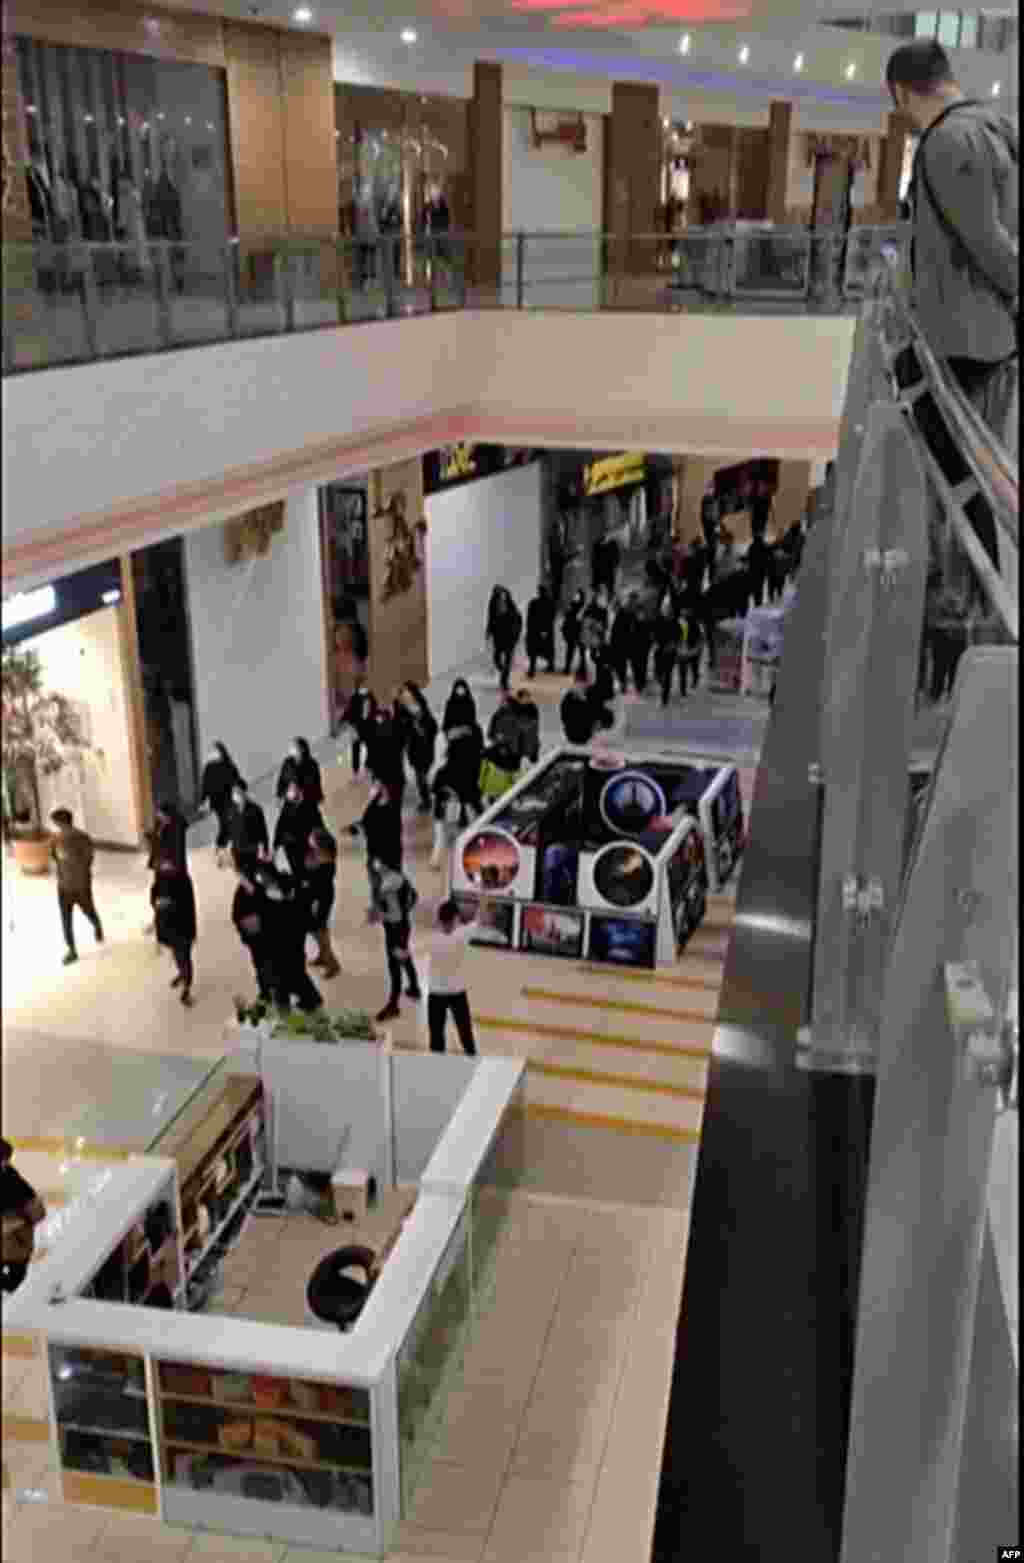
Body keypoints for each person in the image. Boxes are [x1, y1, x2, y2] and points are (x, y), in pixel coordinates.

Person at [885, 40, 1018, 458]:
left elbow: (988, 241)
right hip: (986, 333)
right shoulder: (994, 127)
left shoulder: (949, 141)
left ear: (902, 92)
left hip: (962, 341)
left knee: (958, 470)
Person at [414, 896, 491, 1056]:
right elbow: (480, 919)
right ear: (455, 918)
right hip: (457, 994)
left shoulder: (433, 939)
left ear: (441, 919)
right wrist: (484, 898)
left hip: (436, 994)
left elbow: (411, 952)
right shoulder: (462, 934)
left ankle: (436, 1069)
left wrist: (401, 952)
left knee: (436, 1038)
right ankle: (472, 1064)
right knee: (466, 1035)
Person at [252, 861, 323, 1013]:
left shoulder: (276, 893)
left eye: (261, 877)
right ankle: (310, 1000)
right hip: (291, 939)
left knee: (285, 978)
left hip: (286, 941)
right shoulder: (285, 886)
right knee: (295, 974)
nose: (260, 880)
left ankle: (290, 1009)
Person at [369, 857, 421, 1022]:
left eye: (377, 860)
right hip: (404, 925)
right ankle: (414, 988)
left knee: (394, 967)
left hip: (395, 929)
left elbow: (394, 915)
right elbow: (414, 896)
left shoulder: (388, 886)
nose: (374, 863)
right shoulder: (399, 877)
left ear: (384, 863)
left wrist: (378, 915)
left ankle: (393, 1006)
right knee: (404, 956)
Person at [50, 809, 103, 967]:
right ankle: (76, 945)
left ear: (61, 822)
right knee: (73, 916)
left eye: (56, 822)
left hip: (74, 885)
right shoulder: (60, 839)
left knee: (71, 917)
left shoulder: (76, 838)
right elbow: (89, 858)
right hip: (72, 885)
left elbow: (57, 858)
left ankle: (93, 929)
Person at [150, 856, 198, 1006]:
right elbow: (154, 897)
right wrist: (157, 903)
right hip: (167, 927)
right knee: (178, 957)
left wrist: (168, 903)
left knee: (184, 957)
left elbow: (188, 906)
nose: (163, 867)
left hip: (182, 927)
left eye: (166, 864)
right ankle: (182, 975)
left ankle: (187, 988)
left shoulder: (183, 880)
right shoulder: (159, 880)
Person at [1, 1138, 46, 1295]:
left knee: (16, 1282)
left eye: (5, 1160)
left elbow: (39, 1211)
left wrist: (16, 1223)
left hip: (17, 1247)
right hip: (15, 1245)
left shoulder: (15, 1183)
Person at [440, 680, 485, 818]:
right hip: (456, 753)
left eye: (462, 690)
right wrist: (453, 734)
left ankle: (477, 812)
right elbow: (446, 727)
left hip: (469, 754)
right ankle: (464, 814)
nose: (460, 693)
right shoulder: (450, 704)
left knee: (469, 786)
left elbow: (475, 733)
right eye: (458, 690)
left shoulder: (474, 727)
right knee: (459, 785)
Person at [347, 774, 404, 883]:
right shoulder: (374, 803)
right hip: (374, 854)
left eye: (377, 784)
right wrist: (355, 828)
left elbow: (390, 835)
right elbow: (366, 822)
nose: (374, 787)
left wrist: (382, 861)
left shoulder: (391, 810)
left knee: (388, 889)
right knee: (376, 887)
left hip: (387, 858)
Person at [303, 827, 340, 979]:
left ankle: (332, 963)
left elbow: (317, 884)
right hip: (316, 897)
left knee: (320, 931)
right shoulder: (318, 857)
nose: (309, 842)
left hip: (321, 899)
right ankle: (322, 956)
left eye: (313, 841)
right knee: (315, 929)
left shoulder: (325, 863)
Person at [199, 741, 243, 868]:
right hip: (218, 802)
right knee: (225, 826)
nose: (212, 753)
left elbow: (236, 780)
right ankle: (220, 852)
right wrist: (203, 801)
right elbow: (205, 786)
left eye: (215, 750)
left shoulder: (228, 765)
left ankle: (222, 852)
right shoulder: (209, 768)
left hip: (229, 800)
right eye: (211, 751)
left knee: (229, 826)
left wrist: (240, 787)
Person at [395, 682, 438, 812]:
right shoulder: (402, 712)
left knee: (423, 773)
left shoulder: (422, 707)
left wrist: (423, 726)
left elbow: (433, 726)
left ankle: (427, 798)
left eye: (407, 694)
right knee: (420, 775)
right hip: (415, 749)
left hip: (426, 747)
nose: (405, 697)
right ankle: (426, 800)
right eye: (403, 695)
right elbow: (400, 731)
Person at [273, 779, 325, 881]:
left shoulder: (309, 805)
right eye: (289, 790)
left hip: (305, 848)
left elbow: (319, 825)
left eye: (292, 789)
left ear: (299, 790)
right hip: (291, 849)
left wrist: (319, 847)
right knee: (298, 874)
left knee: (309, 874)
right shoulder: (287, 805)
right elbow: (280, 826)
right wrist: (276, 846)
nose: (289, 792)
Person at [486, 587, 523, 693]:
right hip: (499, 637)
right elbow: (491, 618)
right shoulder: (493, 605)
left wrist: (516, 634)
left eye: (503, 596)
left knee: (507, 660)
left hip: (510, 637)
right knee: (497, 658)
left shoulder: (512, 607)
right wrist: (489, 631)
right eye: (499, 596)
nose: (502, 598)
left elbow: (518, 619)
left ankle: (504, 681)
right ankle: (504, 673)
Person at [229, 781, 270, 876]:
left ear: (244, 793)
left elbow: (263, 832)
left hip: (252, 851)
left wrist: (263, 849)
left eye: (238, 792)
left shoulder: (255, 810)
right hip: (237, 852)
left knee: (251, 879)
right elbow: (230, 831)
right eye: (233, 793)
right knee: (243, 880)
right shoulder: (232, 811)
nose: (235, 795)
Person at [275, 737, 323, 809]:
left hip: (307, 802)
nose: (291, 749)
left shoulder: (311, 764)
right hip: (290, 802)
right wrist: (280, 796)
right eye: (291, 747)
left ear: (302, 749)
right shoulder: (287, 763)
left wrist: (317, 797)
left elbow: (316, 782)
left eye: (294, 747)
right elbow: (281, 781)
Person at [341, 677, 374, 777]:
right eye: (363, 685)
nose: (366, 687)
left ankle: (368, 766)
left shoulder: (370, 695)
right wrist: (343, 722)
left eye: (366, 685)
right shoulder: (354, 697)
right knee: (356, 750)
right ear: (359, 686)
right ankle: (355, 770)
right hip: (357, 728)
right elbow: (349, 711)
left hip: (368, 726)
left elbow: (374, 709)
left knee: (372, 747)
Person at [487, 690, 525, 774]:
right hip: (499, 748)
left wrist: (507, 742)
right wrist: (497, 738)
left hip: (512, 752)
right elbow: (490, 734)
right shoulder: (497, 715)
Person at [525, 584, 557, 678]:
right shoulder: (550, 603)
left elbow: (530, 618)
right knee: (546, 650)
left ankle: (532, 669)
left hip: (536, 630)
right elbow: (551, 617)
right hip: (544, 630)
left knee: (534, 651)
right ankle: (549, 666)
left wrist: (530, 629)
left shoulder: (534, 603)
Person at [580, 587, 610, 677]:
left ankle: (594, 674)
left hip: (596, 637)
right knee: (586, 656)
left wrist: (599, 628)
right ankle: (585, 673)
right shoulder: (589, 608)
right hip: (588, 636)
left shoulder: (603, 610)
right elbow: (581, 619)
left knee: (594, 656)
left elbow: (605, 626)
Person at [513, 688, 541, 766]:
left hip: (530, 738)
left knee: (534, 760)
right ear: (519, 698)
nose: (528, 699)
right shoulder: (514, 707)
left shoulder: (533, 707)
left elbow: (535, 723)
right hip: (519, 739)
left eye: (528, 697)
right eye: (526, 697)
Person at [561, 588, 586, 676]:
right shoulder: (573, 605)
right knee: (571, 651)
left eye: (578, 595)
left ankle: (582, 669)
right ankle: (568, 668)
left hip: (579, 631)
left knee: (581, 652)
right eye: (576, 594)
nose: (576, 596)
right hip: (573, 631)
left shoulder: (582, 607)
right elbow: (567, 618)